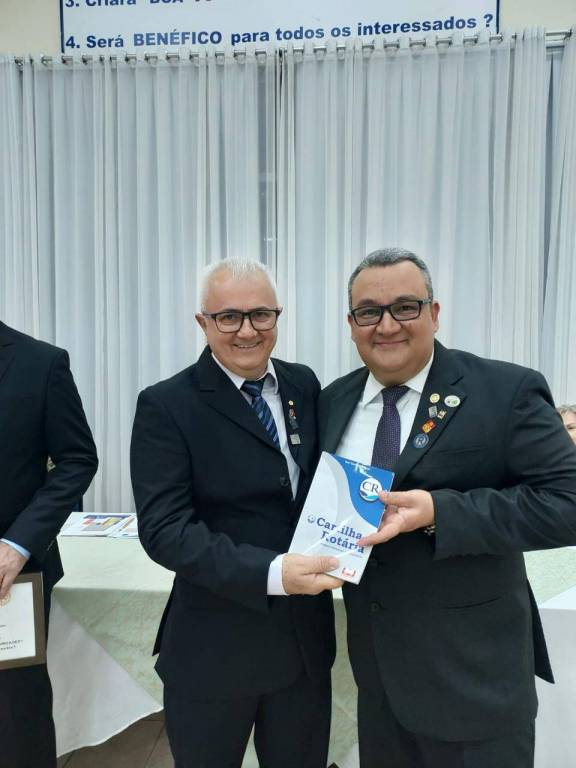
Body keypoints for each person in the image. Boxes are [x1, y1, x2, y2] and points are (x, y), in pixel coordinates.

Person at [318, 248, 576, 768]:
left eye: (405, 307)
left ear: (434, 314)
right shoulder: (333, 400)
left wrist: (441, 512)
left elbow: (568, 503)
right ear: (351, 325)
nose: (387, 325)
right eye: (369, 311)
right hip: (379, 683)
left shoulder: (504, 391)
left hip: (475, 684)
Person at [130, 259, 341, 768]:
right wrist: (272, 572)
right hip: (214, 650)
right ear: (202, 322)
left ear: (278, 315)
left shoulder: (303, 384)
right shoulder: (167, 404)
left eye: (261, 315)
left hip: (303, 648)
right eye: (229, 317)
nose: (247, 331)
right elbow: (165, 531)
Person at [0, 321, 98, 768]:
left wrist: (18, 543)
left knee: (15, 720)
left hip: (11, 575)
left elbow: (77, 459)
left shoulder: (40, 363)